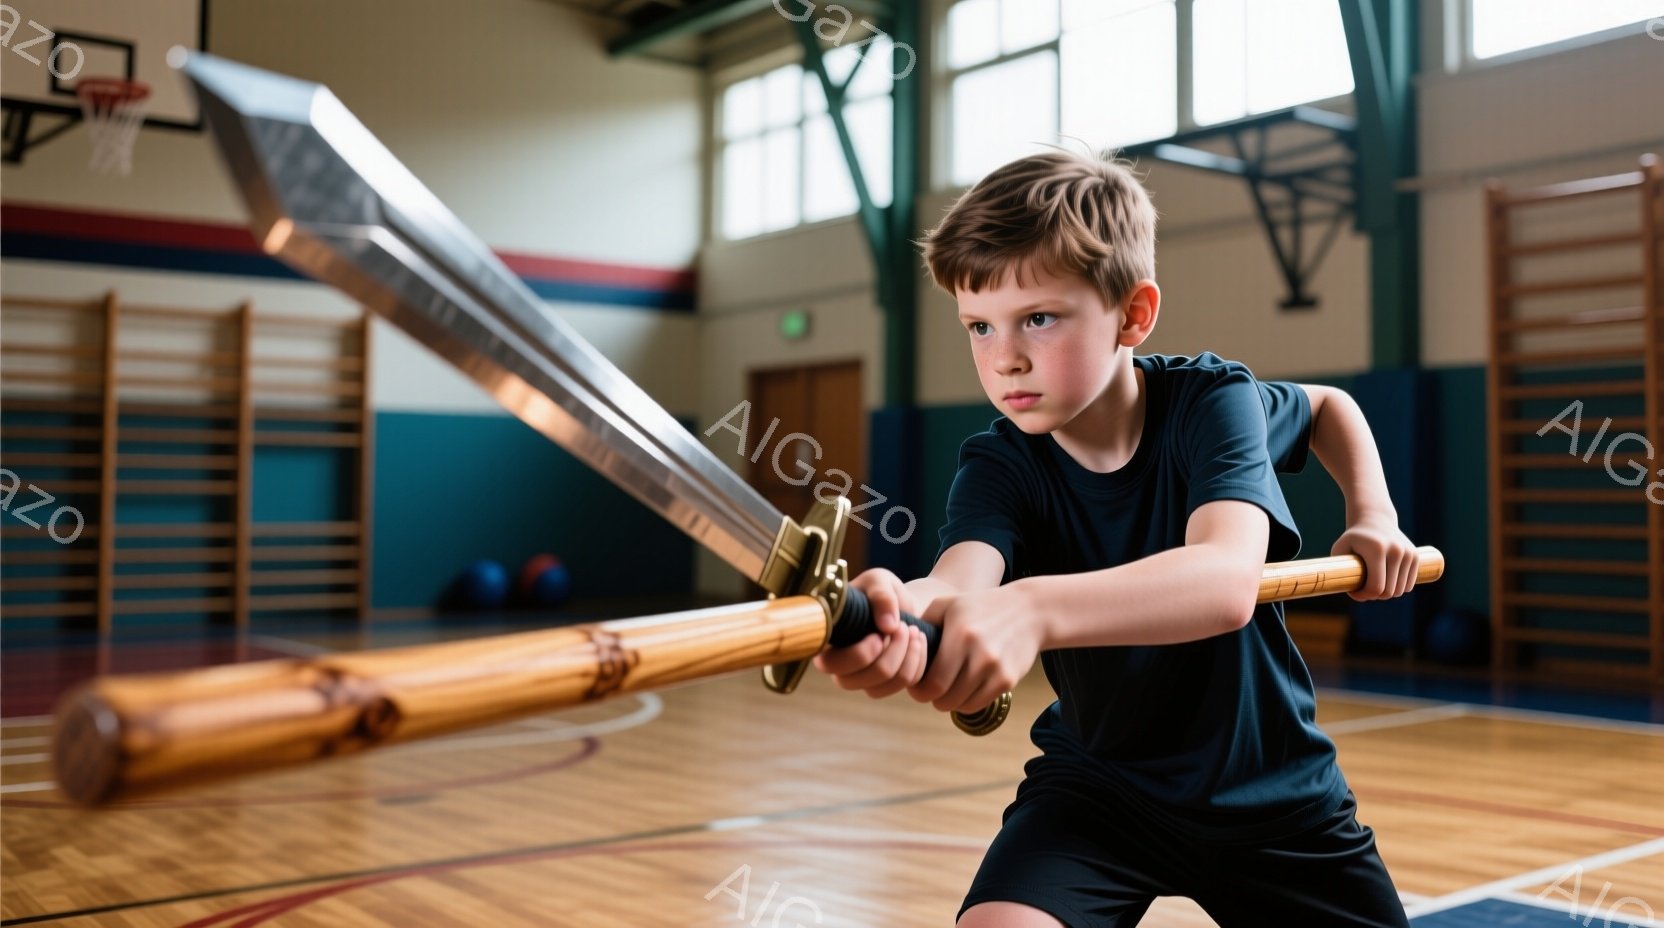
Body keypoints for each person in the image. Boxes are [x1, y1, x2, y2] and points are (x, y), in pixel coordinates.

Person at [813, 150, 1422, 927]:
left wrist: (1373, 513)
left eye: (1038, 317)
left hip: (1269, 792)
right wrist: (898, 607)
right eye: (979, 326)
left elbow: (1228, 574)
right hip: (1097, 790)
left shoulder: (1211, 403)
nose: (1006, 357)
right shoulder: (1000, 463)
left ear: (1133, 314)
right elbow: (962, 579)